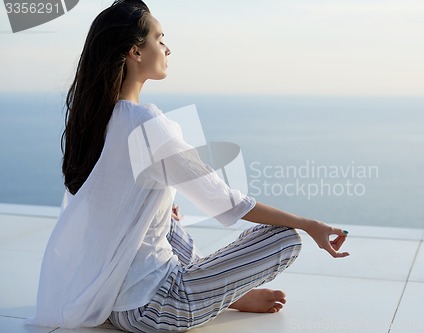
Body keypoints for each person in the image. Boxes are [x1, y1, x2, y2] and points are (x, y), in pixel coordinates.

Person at [27, 1, 349, 332]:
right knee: (286, 238)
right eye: (159, 38)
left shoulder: (97, 120)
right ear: (136, 52)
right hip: (158, 308)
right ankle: (228, 295)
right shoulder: (147, 123)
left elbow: (106, 208)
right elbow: (229, 202)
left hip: (107, 300)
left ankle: (225, 294)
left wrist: (159, 207)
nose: (167, 48)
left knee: (164, 217)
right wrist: (311, 225)